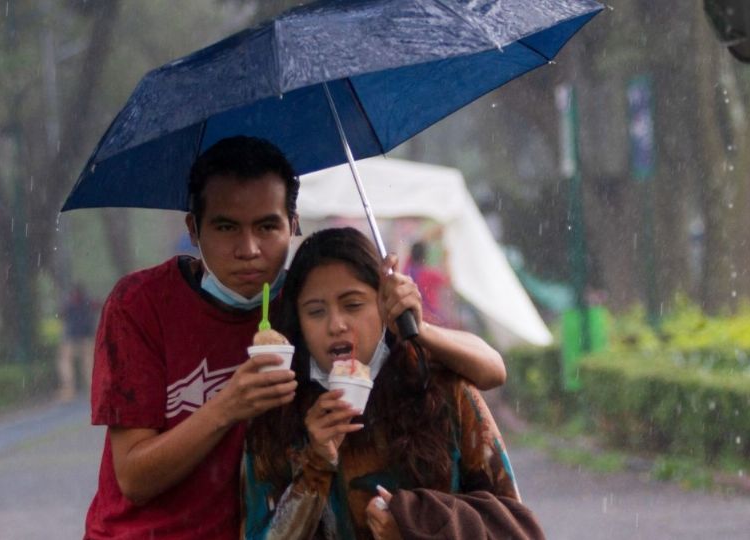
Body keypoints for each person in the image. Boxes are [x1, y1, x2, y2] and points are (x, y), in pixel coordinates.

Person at [85, 136, 506, 539]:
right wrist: (229, 406)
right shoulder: (140, 304)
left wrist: (410, 319)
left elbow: (489, 371)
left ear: (293, 223)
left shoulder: (307, 299)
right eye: (227, 227)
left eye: (267, 226)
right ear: (194, 229)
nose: (248, 249)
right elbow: (134, 478)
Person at [243, 227, 543, 540]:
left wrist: (417, 523)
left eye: (353, 305)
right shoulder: (276, 416)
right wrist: (315, 464)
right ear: (299, 322)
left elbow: (510, 521)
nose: (336, 325)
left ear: (385, 305)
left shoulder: (437, 387)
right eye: (316, 312)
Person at [57, 284, 97, 401]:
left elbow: (61, 314)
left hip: (74, 337)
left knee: (67, 361)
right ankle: (90, 387)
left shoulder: (70, 303)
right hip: (83, 336)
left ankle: (70, 388)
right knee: (88, 363)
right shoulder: (87, 302)